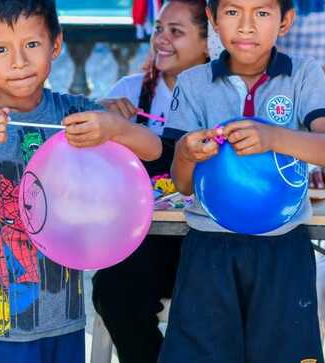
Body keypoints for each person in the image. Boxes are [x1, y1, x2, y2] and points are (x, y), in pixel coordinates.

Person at [0, 0, 162, 362]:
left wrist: (115, 127)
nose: (18, 61)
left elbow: (153, 149)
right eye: (1, 49)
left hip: (63, 323)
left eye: (32, 45)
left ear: (56, 45)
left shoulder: (74, 113)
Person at [160, 0, 325, 361]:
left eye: (261, 13)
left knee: (284, 352)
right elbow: (182, 184)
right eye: (232, 12)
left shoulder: (303, 74)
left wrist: (274, 137)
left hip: (283, 247)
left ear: (285, 21)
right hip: (209, 249)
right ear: (212, 19)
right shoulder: (193, 82)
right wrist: (185, 152)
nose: (246, 26)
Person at [93, 1, 209, 362]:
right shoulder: (128, 91)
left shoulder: (221, 96)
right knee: (112, 289)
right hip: (145, 236)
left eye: (176, 32)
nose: (161, 40)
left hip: (206, 237)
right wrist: (100, 115)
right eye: (159, 29)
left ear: (209, 44)